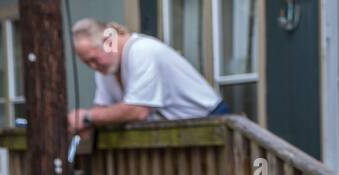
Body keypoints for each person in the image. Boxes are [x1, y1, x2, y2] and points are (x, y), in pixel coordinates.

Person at [66, 19, 229, 134]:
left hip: (210, 122)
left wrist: (87, 117)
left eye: (94, 59)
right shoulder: (107, 67)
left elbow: (137, 110)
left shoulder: (141, 51)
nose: (93, 66)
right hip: (180, 131)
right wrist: (81, 123)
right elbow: (102, 107)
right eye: (87, 63)